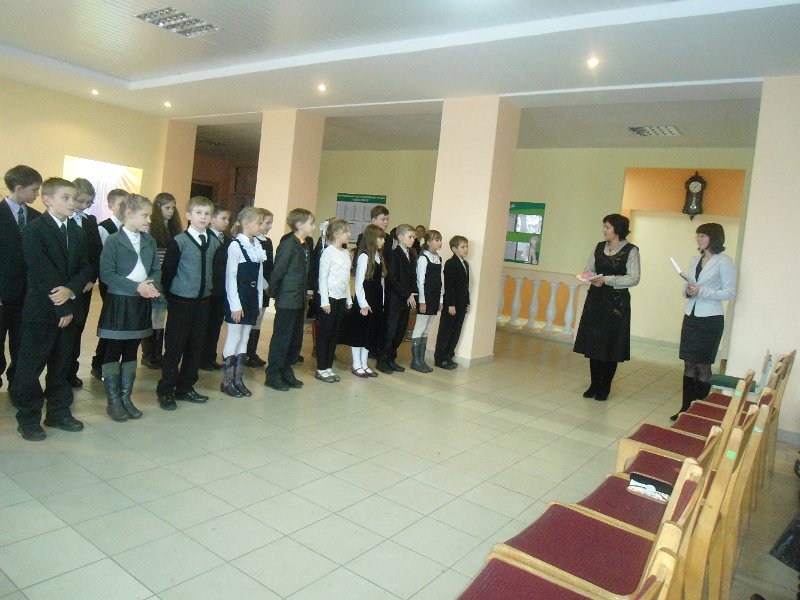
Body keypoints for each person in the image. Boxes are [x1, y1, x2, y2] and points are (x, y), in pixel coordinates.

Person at [10, 178, 91, 441]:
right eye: (66, 198)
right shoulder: (34, 230)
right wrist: (63, 306)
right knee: (30, 367)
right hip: (42, 312)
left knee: (61, 364)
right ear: (47, 200)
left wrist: (71, 290)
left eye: (74, 198)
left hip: (69, 308)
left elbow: (85, 267)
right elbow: (41, 271)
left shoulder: (77, 231)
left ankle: (58, 412)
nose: (72, 202)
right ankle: (28, 418)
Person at [97, 194, 161, 420]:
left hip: (140, 303)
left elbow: (156, 270)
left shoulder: (149, 241)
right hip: (119, 301)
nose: (149, 220)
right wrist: (137, 287)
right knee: (114, 349)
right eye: (145, 215)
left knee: (132, 349)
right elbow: (107, 274)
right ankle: (113, 400)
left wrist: (151, 286)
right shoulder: (113, 240)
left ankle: (126, 397)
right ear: (129, 214)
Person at [156, 196, 221, 410]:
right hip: (180, 302)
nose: (203, 217)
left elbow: (216, 271)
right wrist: (172, 295)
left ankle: (186, 386)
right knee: (174, 347)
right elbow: (168, 271)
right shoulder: (180, 241)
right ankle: (166, 389)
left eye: (207, 214)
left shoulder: (214, 242)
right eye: (199, 213)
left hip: (203, 303)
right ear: (188, 215)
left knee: (196, 346)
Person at [670, 223, 737, 420]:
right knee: (689, 363)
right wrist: (688, 290)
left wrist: (702, 290)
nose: (698, 239)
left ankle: (699, 412)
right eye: (697, 235)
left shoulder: (724, 261)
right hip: (691, 316)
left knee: (703, 366)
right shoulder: (695, 260)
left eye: (702, 235)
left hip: (710, 319)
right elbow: (689, 285)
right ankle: (685, 408)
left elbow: (729, 293)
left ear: (713, 238)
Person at [573, 213, 640, 401]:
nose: (604, 230)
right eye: (604, 226)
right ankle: (594, 383)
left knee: (611, 345)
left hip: (616, 303)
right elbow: (589, 269)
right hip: (596, 299)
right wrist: (589, 277)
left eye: (607, 227)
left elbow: (634, 278)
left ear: (618, 229)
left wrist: (607, 280)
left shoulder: (631, 251)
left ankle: (605, 386)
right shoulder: (599, 247)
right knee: (594, 343)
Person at [0, 165, 42, 391]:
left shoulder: (37, 218)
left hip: (28, 294)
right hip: (2, 292)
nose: (37, 194)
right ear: (18, 188)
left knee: (23, 342)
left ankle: (18, 384)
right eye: (34, 190)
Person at [265, 208, 315, 392]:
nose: (314, 227)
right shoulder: (288, 245)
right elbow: (278, 271)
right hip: (287, 299)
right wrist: (274, 293)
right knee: (282, 338)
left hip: (299, 299)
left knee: (295, 339)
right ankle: (273, 374)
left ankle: (286, 370)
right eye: (311, 223)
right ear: (299, 224)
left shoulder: (304, 244)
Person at [220, 207, 266, 397]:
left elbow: (259, 278)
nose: (261, 227)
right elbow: (230, 277)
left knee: (245, 337)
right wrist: (235, 305)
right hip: (238, 297)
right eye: (259, 223)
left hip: (251, 298)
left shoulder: (257, 246)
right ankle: (227, 381)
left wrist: (259, 302)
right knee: (234, 337)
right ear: (246, 223)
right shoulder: (236, 245)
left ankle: (238, 379)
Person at [66, 177, 103, 389]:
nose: (83, 206)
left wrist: (91, 278)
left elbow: (96, 253)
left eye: (88, 202)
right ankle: (57, 371)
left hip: (85, 286)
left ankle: (72, 370)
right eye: (80, 201)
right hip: (64, 285)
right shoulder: (64, 219)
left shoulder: (89, 221)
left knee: (78, 327)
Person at [90, 188, 129, 380]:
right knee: (111, 324)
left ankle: (113, 362)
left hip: (127, 284)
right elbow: (102, 260)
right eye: (121, 204)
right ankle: (99, 363)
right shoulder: (104, 228)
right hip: (111, 284)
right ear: (111, 206)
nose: (125, 208)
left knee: (122, 325)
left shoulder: (130, 228)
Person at [141, 192, 182, 369]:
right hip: (154, 276)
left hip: (168, 276)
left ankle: (157, 354)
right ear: (158, 208)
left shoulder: (174, 229)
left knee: (160, 316)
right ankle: (149, 355)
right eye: (167, 208)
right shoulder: (151, 228)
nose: (171, 211)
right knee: (153, 315)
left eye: (173, 208)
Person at [340, 224, 385, 378]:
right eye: (380, 238)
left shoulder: (378, 256)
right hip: (364, 301)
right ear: (372, 238)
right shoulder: (364, 256)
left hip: (375, 300)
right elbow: (359, 284)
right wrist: (363, 304)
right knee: (359, 333)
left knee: (369, 334)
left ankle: (364, 364)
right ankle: (356, 364)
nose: (383, 241)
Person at [315, 218, 352, 383]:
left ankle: (328, 366)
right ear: (336, 233)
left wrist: (348, 298)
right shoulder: (328, 252)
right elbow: (322, 278)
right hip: (329, 299)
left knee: (335, 334)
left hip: (341, 298)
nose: (349, 234)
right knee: (325, 334)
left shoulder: (345, 253)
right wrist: (324, 301)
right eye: (346, 231)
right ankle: (321, 368)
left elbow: (346, 279)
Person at [378, 224, 418, 374]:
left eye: (414, 237)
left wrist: (413, 292)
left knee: (400, 330)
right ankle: (382, 360)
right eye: (410, 237)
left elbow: (413, 277)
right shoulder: (393, 254)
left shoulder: (412, 255)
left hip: (406, 299)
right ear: (400, 237)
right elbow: (393, 279)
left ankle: (391, 359)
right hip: (395, 299)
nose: (413, 240)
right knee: (391, 330)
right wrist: (406, 294)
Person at [201, 204, 232, 371]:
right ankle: (201, 358)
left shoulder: (228, 240)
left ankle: (210, 356)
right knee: (204, 325)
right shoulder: (205, 237)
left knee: (215, 325)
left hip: (222, 290)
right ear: (212, 219)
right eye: (223, 218)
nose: (227, 222)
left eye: (228, 219)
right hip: (209, 290)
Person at [435, 235, 470, 370]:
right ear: (454, 249)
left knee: (456, 331)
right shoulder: (451, 263)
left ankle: (449, 355)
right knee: (446, 331)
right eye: (463, 247)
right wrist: (451, 304)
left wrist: (467, 302)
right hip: (452, 303)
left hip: (461, 303)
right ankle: (440, 358)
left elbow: (465, 286)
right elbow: (449, 286)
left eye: (466, 246)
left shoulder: (465, 264)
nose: (466, 249)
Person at [410, 230, 442, 373]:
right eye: (436, 240)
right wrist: (422, 301)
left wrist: (441, 299)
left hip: (435, 298)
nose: (439, 242)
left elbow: (439, 281)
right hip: (425, 298)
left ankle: (421, 360)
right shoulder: (423, 258)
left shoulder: (438, 258)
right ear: (428, 242)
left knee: (427, 329)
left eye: (440, 240)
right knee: (420, 327)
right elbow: (420, 281)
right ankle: (415, 361)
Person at [245, 208, 274, 367]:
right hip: (256, 286)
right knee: (251, 319)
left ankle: (252, 352)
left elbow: (269, 265)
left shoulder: (267, 242)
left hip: (266, 288)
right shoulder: (252, 241)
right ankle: (244, 353)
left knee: (259, 320)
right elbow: (255, 268)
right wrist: (265, 284)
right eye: (267, 223)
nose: (269, 226)